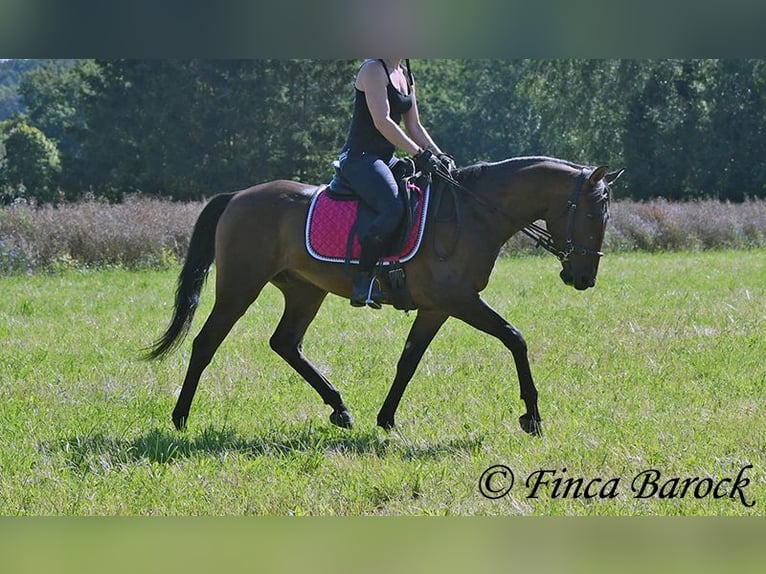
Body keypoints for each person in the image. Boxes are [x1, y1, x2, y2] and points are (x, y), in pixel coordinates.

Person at [338, 58, 450, 308]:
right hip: (360, 158)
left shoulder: (406, 76)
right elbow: (383, 121)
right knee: (393, 207)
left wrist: (440, 156)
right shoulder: (373, 69)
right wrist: (418, 154)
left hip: (385, 158)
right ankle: (362, 281)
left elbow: (414, 126)